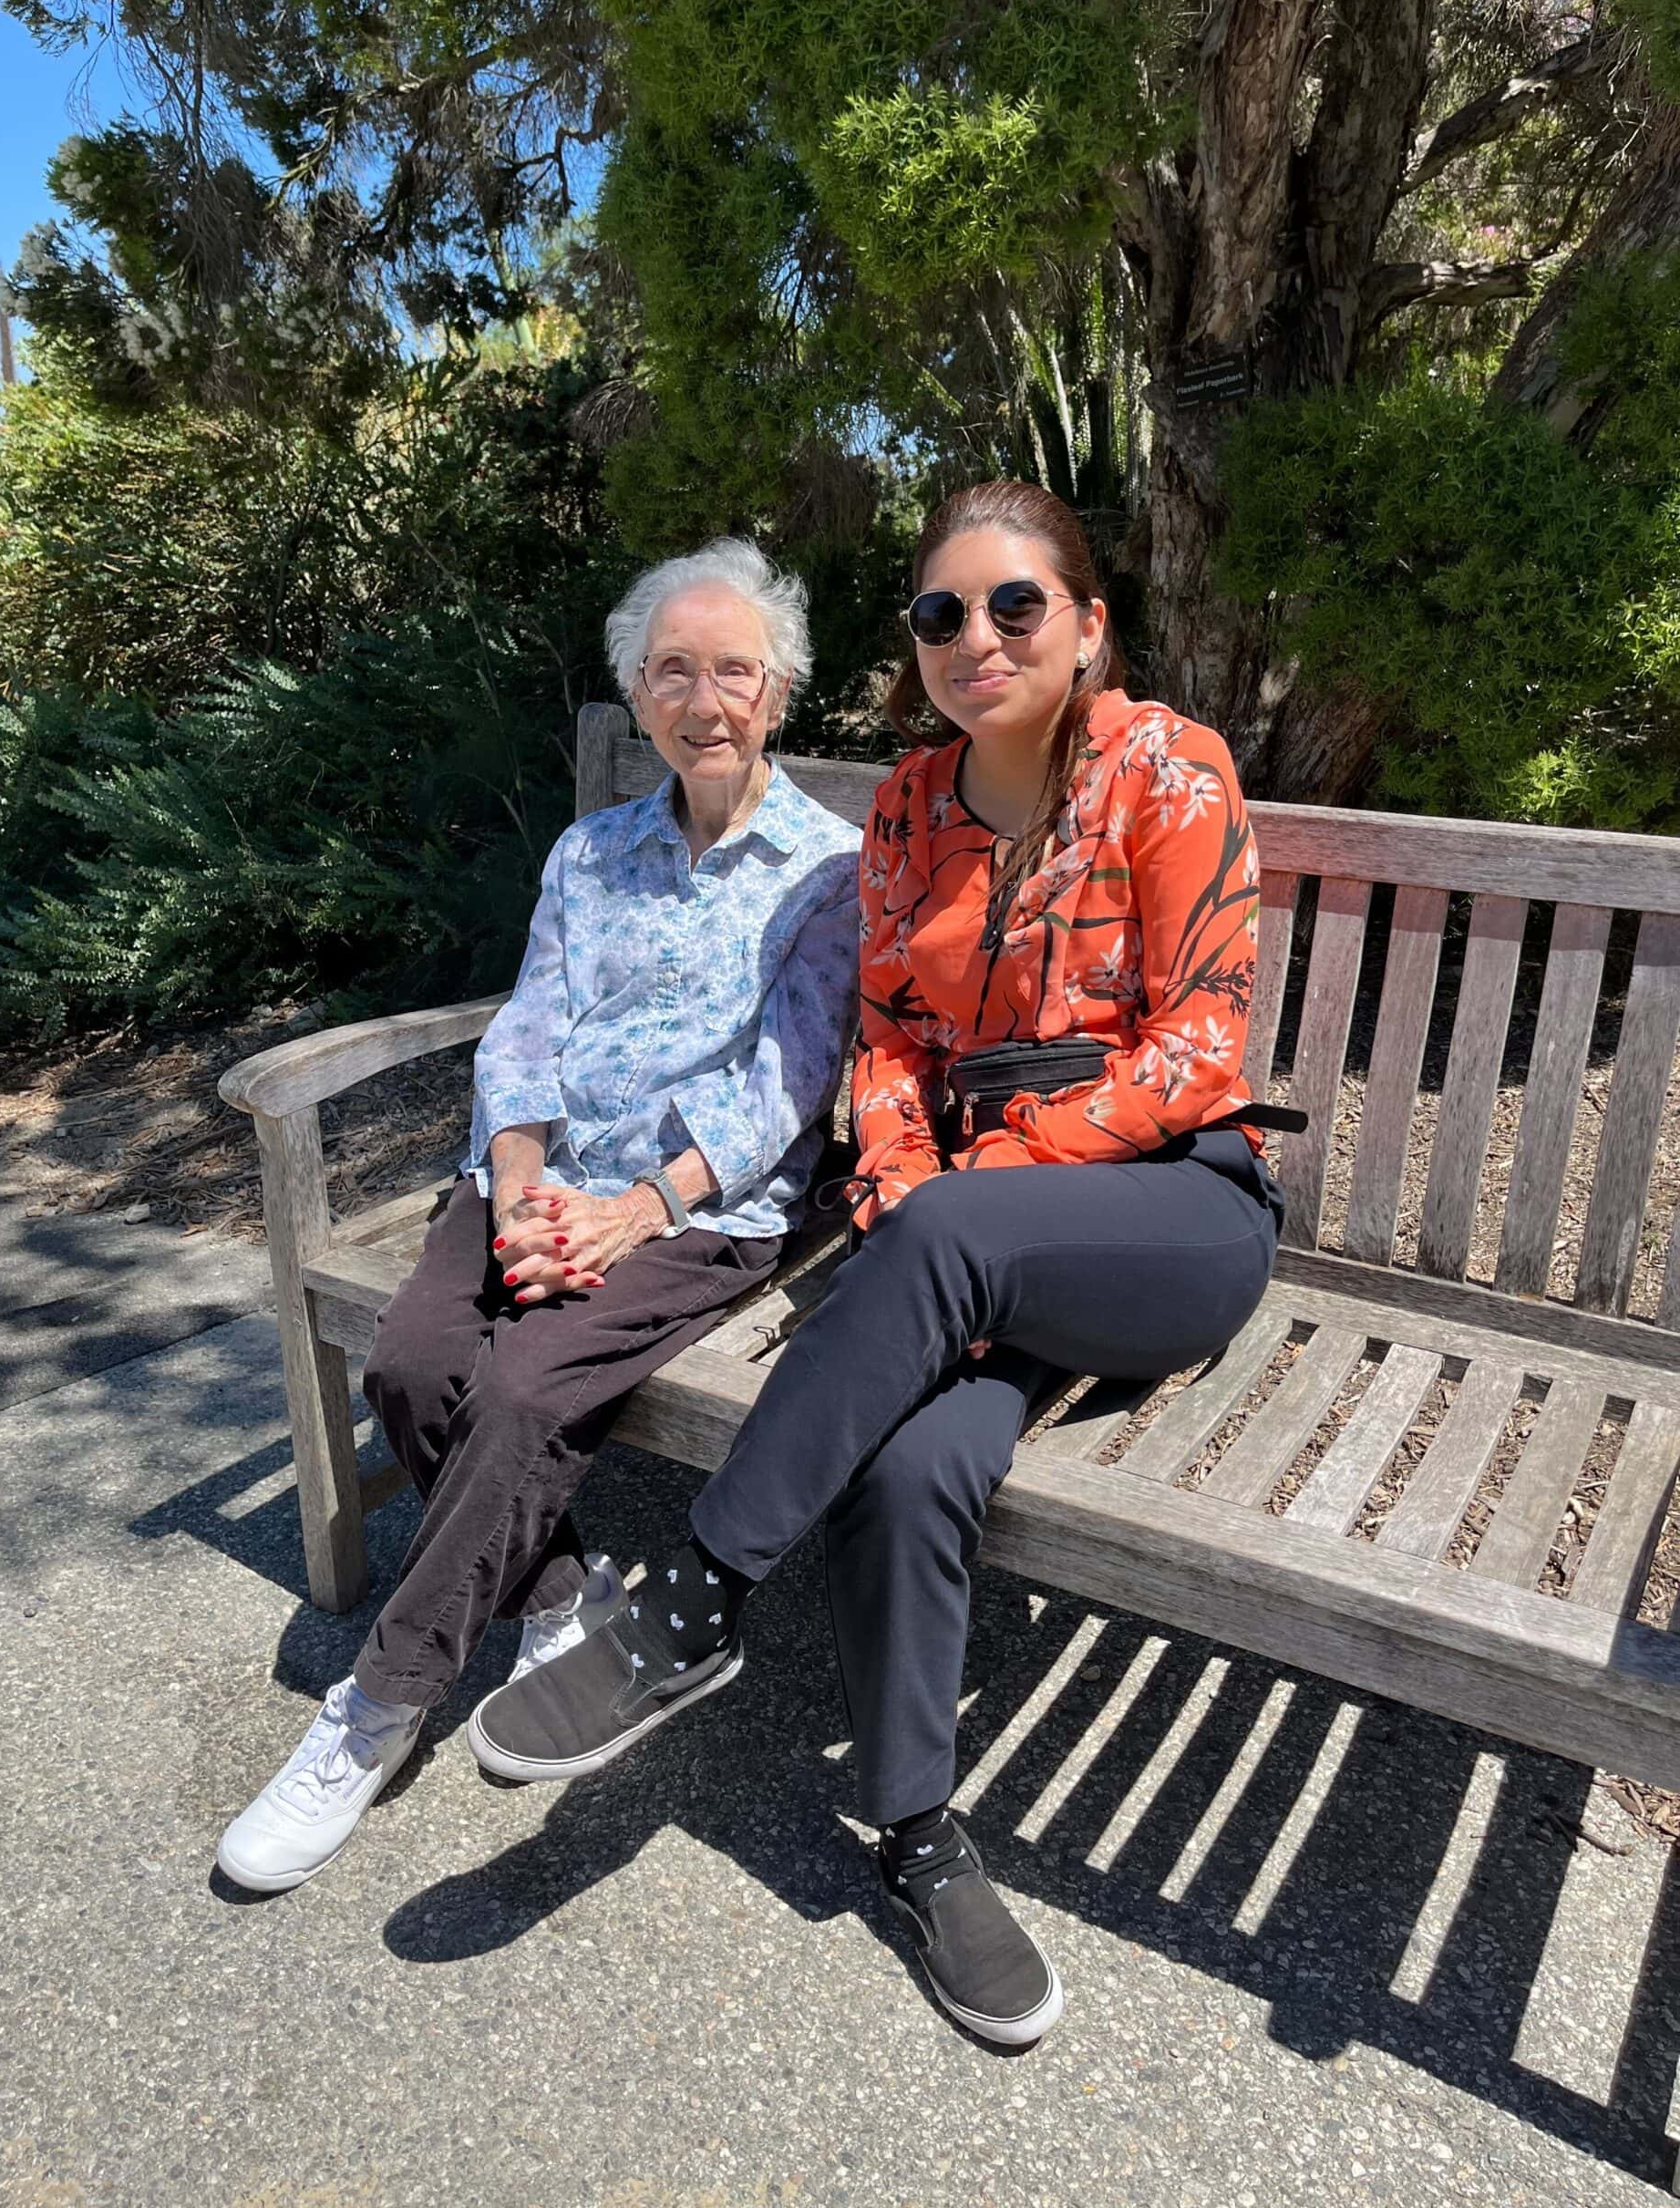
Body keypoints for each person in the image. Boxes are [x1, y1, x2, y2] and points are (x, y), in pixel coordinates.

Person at [471, 481, 1285, 2048]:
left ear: (1089, 624)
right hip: (968, 1239)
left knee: (947, 1236)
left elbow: (1200, 1048)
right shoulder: (908, 810)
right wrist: (918, 1181)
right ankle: (921, 1838)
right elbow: (893, 1047)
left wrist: (960, 1195)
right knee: (914, 1473)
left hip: (1172, 1216)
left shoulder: (1168, 772)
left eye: (1015, 607)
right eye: (940, 614)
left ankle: (694, 1600)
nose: (976, 638)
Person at [216, 538, 861, 1893]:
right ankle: (564, 1598)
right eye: (672, 669)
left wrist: (634, 1212)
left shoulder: (831, 870)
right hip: (536, 1176)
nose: (704, 698)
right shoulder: (590, 852)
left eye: (732, 670)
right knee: (408, 1361)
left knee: (514, 1390)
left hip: (704, 1208)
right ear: (637, 692)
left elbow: (794, 1082)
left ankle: (379, 1704)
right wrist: (517, 1187)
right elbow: (526, 1032)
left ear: (781, 693)